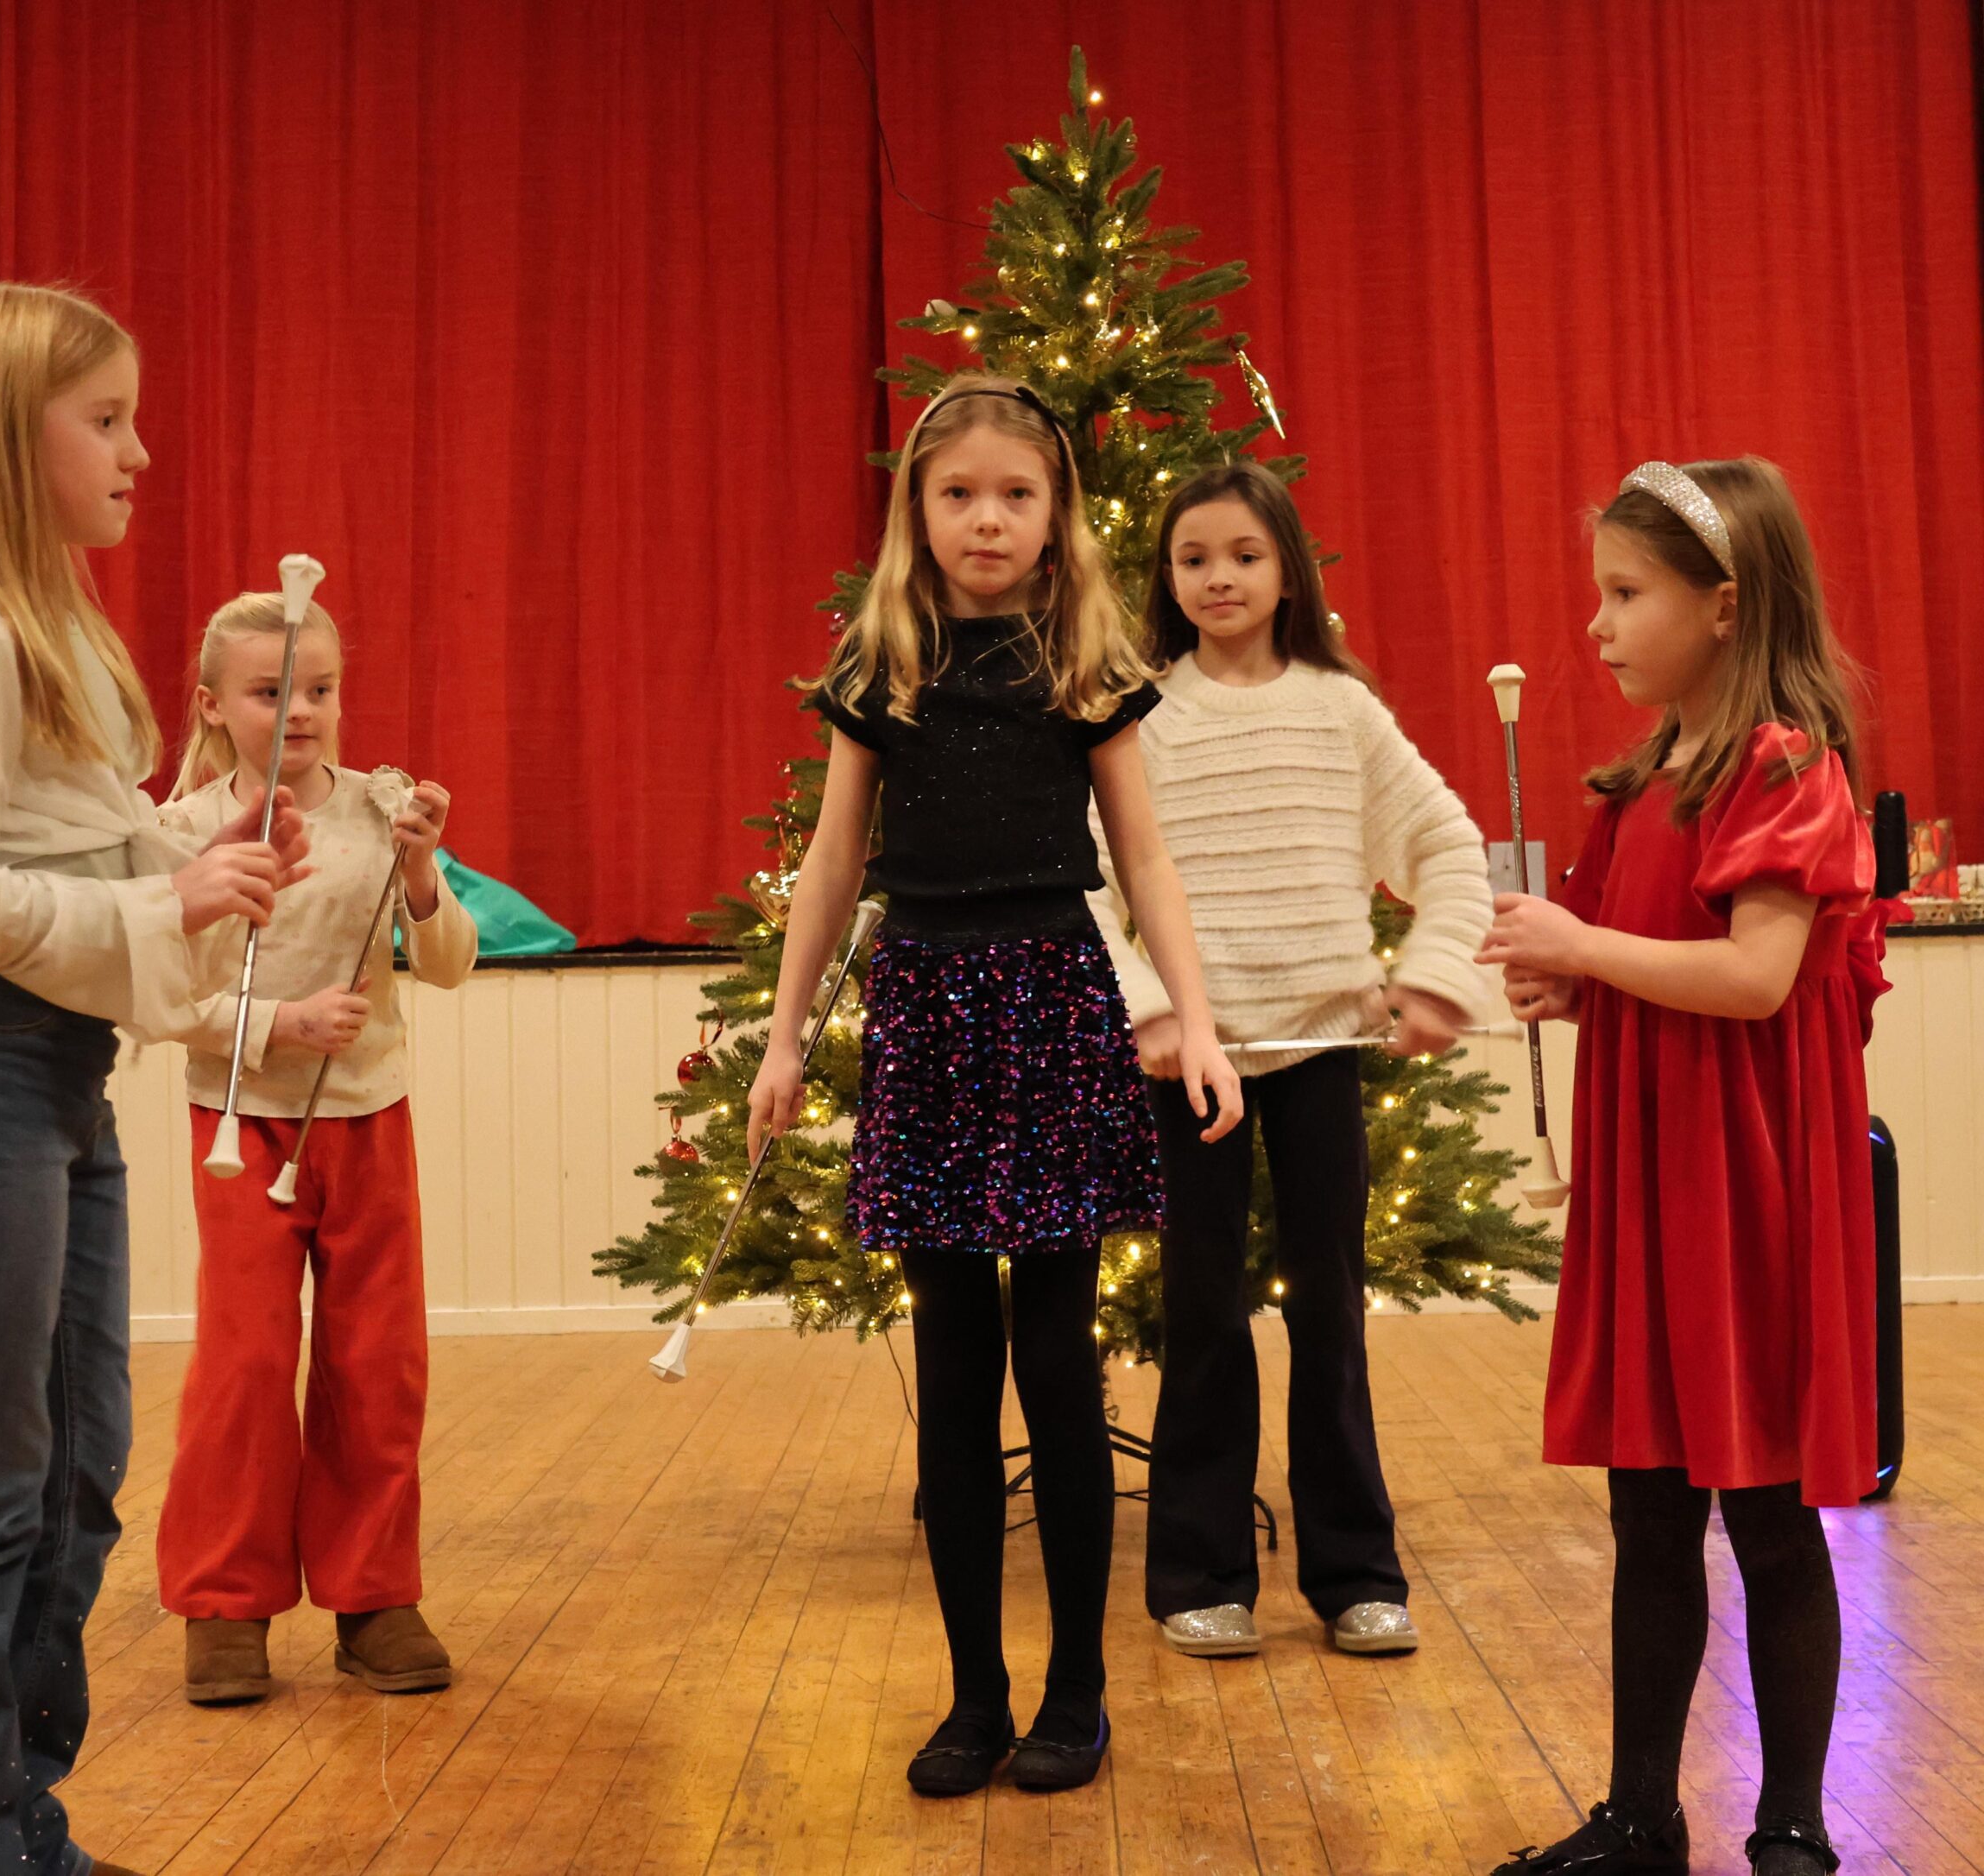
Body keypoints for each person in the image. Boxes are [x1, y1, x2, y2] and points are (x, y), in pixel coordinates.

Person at [0, 279, 304, 1876]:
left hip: (41, 1075)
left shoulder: (50, 633)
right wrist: (165, 897)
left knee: (76, 1464)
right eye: (103, 420)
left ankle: (10, 1819)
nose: (139, 451)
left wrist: (201, 850)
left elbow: (67, 865)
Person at [749, 374, 1242, 1797]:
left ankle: (1075, 1691)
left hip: (1052, 1004)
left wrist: (1196, 1020)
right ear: (918, 508)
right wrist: (785, 1038)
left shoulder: (1083, 658)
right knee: (955, 1378)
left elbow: (1145, 859)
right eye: (958, 493)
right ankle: (975, 1694)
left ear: (1056, 516)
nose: (986, 518)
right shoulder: (882, 661)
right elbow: (834, 864)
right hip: (925, 1013)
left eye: (1015, 495)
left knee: (1058, 1364)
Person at [1479, 458, 1886, 1876]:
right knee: (1649, 1505)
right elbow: (1656, 969)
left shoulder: (1783, 764)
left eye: (1626, 593)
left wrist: (1586, 952)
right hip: (1658, 1181)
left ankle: (1793, 1830)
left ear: (1724, 606)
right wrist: (1572, 984)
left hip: (1749, 1193)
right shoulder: (1645, 779)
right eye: (1600, 593)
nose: (1597, 624)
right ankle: (1642, 1814)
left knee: (1768, 1513)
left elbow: (1760, 977)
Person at [1094, 462, 1492, 1662]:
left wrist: (1431, 974)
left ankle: (1359, 1574)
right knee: (1203, 1315)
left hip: (1320, 1053)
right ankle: (1197, 1577)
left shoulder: (1341, 708)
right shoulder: (1140, 712)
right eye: (1194, 559)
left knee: (1331, 1318)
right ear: (1167, 579)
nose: (1220, 577)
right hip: (1193, 1066)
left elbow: (1445, 841)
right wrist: (1157, 1009)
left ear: (1286, 571)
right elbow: (1096, 885)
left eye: (1245, 556)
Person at [155, 591, 476, 1703]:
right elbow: (159, 997)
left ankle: (375, 1596)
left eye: (322, 691)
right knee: (244, 1364)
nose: (303, 711)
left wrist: (427, 874)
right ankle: (224, 1603)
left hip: (368, 1118)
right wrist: (278, 1027)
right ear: (212, 704)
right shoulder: (182, 835)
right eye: (272, 690)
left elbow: (447, 962)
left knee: (376, 1361)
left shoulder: (383, 813)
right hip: (239, 1123)